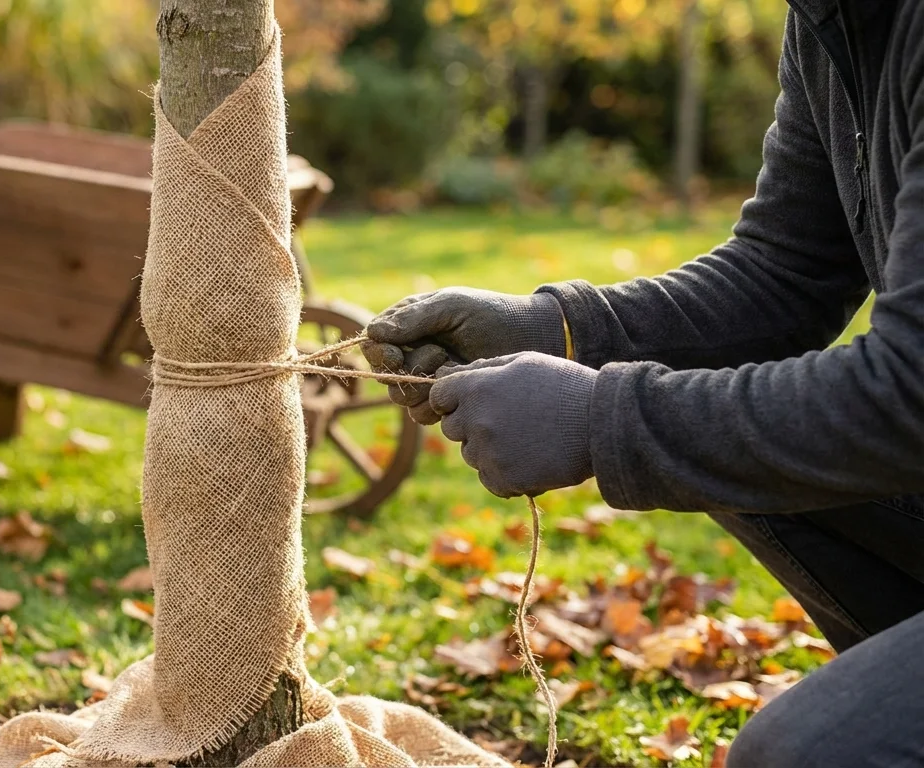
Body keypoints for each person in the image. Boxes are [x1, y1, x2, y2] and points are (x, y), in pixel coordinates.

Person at [361, 2, 924, 765]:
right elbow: (781, 275)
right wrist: (550, 328)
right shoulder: (835, 22)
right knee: (729, 446)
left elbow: (908, 394)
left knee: (804, 755)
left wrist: (601, 419)